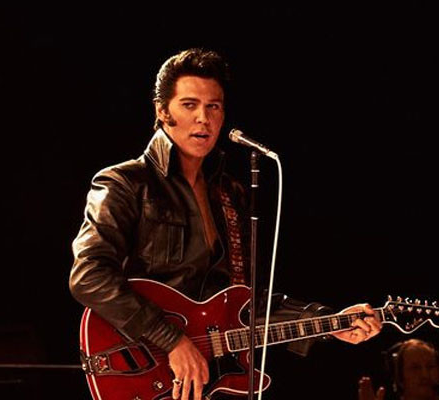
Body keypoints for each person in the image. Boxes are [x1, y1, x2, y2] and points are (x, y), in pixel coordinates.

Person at [69, 48, 382, 400]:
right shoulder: (124, 183)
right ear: (162, 111)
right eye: (189, 105)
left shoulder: (230, 194)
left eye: (213, 107)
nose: (203, 118)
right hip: (146, 368)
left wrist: (329, 322)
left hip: (211, 378)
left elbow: (248, 303)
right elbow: (88, 276)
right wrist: (172, 340)